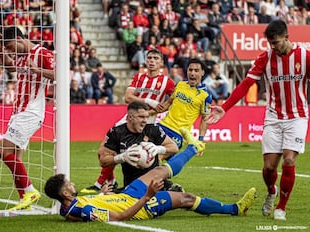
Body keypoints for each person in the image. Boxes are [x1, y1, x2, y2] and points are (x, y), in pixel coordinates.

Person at [206, 20, 310, 221]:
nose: (273, 47)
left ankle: (281, 208)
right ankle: (271, 191)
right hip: (273, 116)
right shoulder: (265, 58)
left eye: (276, 43)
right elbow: (246, 84)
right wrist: (225, 107)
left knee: (289, 160)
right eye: (270, 43)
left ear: (287, 37)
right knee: (269, 167)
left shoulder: (306, 57)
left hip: (297, 117)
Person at [44, 127, 257, 222]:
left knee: (158, 170)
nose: (72, 184)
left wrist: (103, 196)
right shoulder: (81, 211)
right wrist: (147, 196)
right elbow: (119, 217)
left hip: (127, 195)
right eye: (69, 183)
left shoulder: (69, 206)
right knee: (186, 199)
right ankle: (235, 209)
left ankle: (193, 147)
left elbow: (82, 210)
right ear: (65, 192)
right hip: (139, 207)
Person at [80, 50, 176, 194]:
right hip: (129, 119)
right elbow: (128, 97)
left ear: (161, 62)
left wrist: (165, 106)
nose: (152, 61)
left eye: (156, 58)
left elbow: (175, 98)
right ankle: (108, 180)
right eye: (149, 57)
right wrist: (149, 101)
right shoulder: (138, 78)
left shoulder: (167, 82)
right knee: (103, 152)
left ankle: (106, 182)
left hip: (147, 123)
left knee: (146, 156)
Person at [0, 26, 55, 211]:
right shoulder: (20, 57)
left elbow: (57, 74)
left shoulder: (42, 53)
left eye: (10, 46)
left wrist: (37, 70)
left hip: (31, 112)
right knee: (16, 157)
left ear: (19, 39)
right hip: (19, 112)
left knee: (4, 152)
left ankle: (30, 191)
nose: (9, 51)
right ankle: (24, 199)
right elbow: (10, 65)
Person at [97, 101, 179, 189]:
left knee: (180, 194)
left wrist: (158, 149)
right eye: (141, 117)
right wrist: (122, 157)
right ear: (129, 117)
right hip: (132, 186)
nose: (144, 120)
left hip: (157, 183)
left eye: (147, 117)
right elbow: (103, 161)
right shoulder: (116, 133)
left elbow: (174, 147)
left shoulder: (153, 129)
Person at [156, 58, 212, 150]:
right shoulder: (180, 84)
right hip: (162, 125)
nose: (192, 73)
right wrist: (150, 112)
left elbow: (204, 119)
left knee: (156, 157)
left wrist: (200, 140)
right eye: (190, 70)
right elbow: (169, 102)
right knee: (142, 150)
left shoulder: (206, 96)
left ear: (202, 72)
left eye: (196, 71)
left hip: (177, 134)